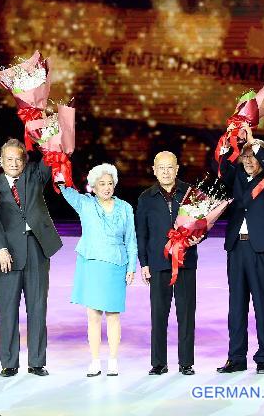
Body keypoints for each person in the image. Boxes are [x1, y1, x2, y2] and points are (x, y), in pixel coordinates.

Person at [0, 139, 63, 377]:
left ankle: (37, 362)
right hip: (8, 253)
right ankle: (9, 363)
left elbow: (51, 156)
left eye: (18, 158)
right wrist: (0, 249)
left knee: (38, 307)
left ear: (25, 161)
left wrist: (45, 133)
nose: (14, 163)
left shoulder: (34, 176)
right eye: (9, 159)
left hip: (37, 248)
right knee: (8, 310)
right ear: (1, 161)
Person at [59, 163, 137, 377]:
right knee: (93, 315)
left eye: (110, 183)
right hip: (92, 264)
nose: (106, 187)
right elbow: (64, 187)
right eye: (101, 183)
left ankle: (113, 360)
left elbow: (131, 239)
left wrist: (132, 267)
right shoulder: (84, 203)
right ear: (93, 186)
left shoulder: (125, 208)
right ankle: (95, 361)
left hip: (116, 264)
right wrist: (58, 162)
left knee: (113, 315)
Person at [217, 131, 264, 375]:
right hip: (236, 248)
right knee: (236, 305)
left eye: (254, 156)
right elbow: (223, 163)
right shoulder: (236, 178)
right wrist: (234, 135)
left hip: (262, 250)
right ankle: (236, 357)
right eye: (245, 155)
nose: (248, 160)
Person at [136, 151, 200, 376]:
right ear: (154, 170)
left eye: (169, 167)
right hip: (158, 262)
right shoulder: (146, 197)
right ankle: (159, 362)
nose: (165, 172)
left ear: (177, 169)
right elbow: (141, 234)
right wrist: (143, 263)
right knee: (159, 314)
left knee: (186, 313)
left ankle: (186, 363)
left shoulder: (191, 194)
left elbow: (201, 226)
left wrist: (198, 237)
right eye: (161, 168)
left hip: (185, 262)